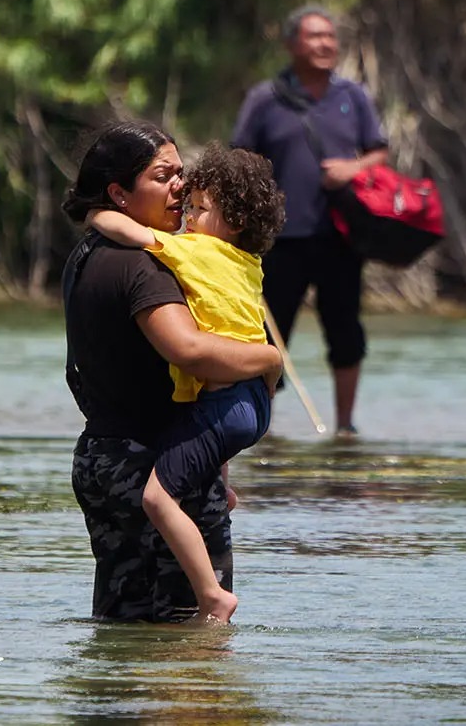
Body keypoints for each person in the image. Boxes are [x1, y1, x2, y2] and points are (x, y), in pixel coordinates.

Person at [61, 122, 284, 622]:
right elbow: (190, 351)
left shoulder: (85, 256)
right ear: (120, 193)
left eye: (181, 174)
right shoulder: (145, 265)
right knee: (194, 636)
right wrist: (270, 359)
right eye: (164, 176)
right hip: (153, 458)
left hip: (101, 458)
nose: (180, 188)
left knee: (123, 628)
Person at [231, 6, 387, 435]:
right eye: (314, 36)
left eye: (330, 37)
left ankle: (345, 427)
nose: (325, 44)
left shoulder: (351, 96)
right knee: (267, 336)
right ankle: (260, 428)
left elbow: (378, 150)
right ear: (291, 44)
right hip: (278, 239)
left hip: (340, 237)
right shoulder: (266, 98)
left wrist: (354, 170)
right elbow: (238, 156)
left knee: (346, 333)